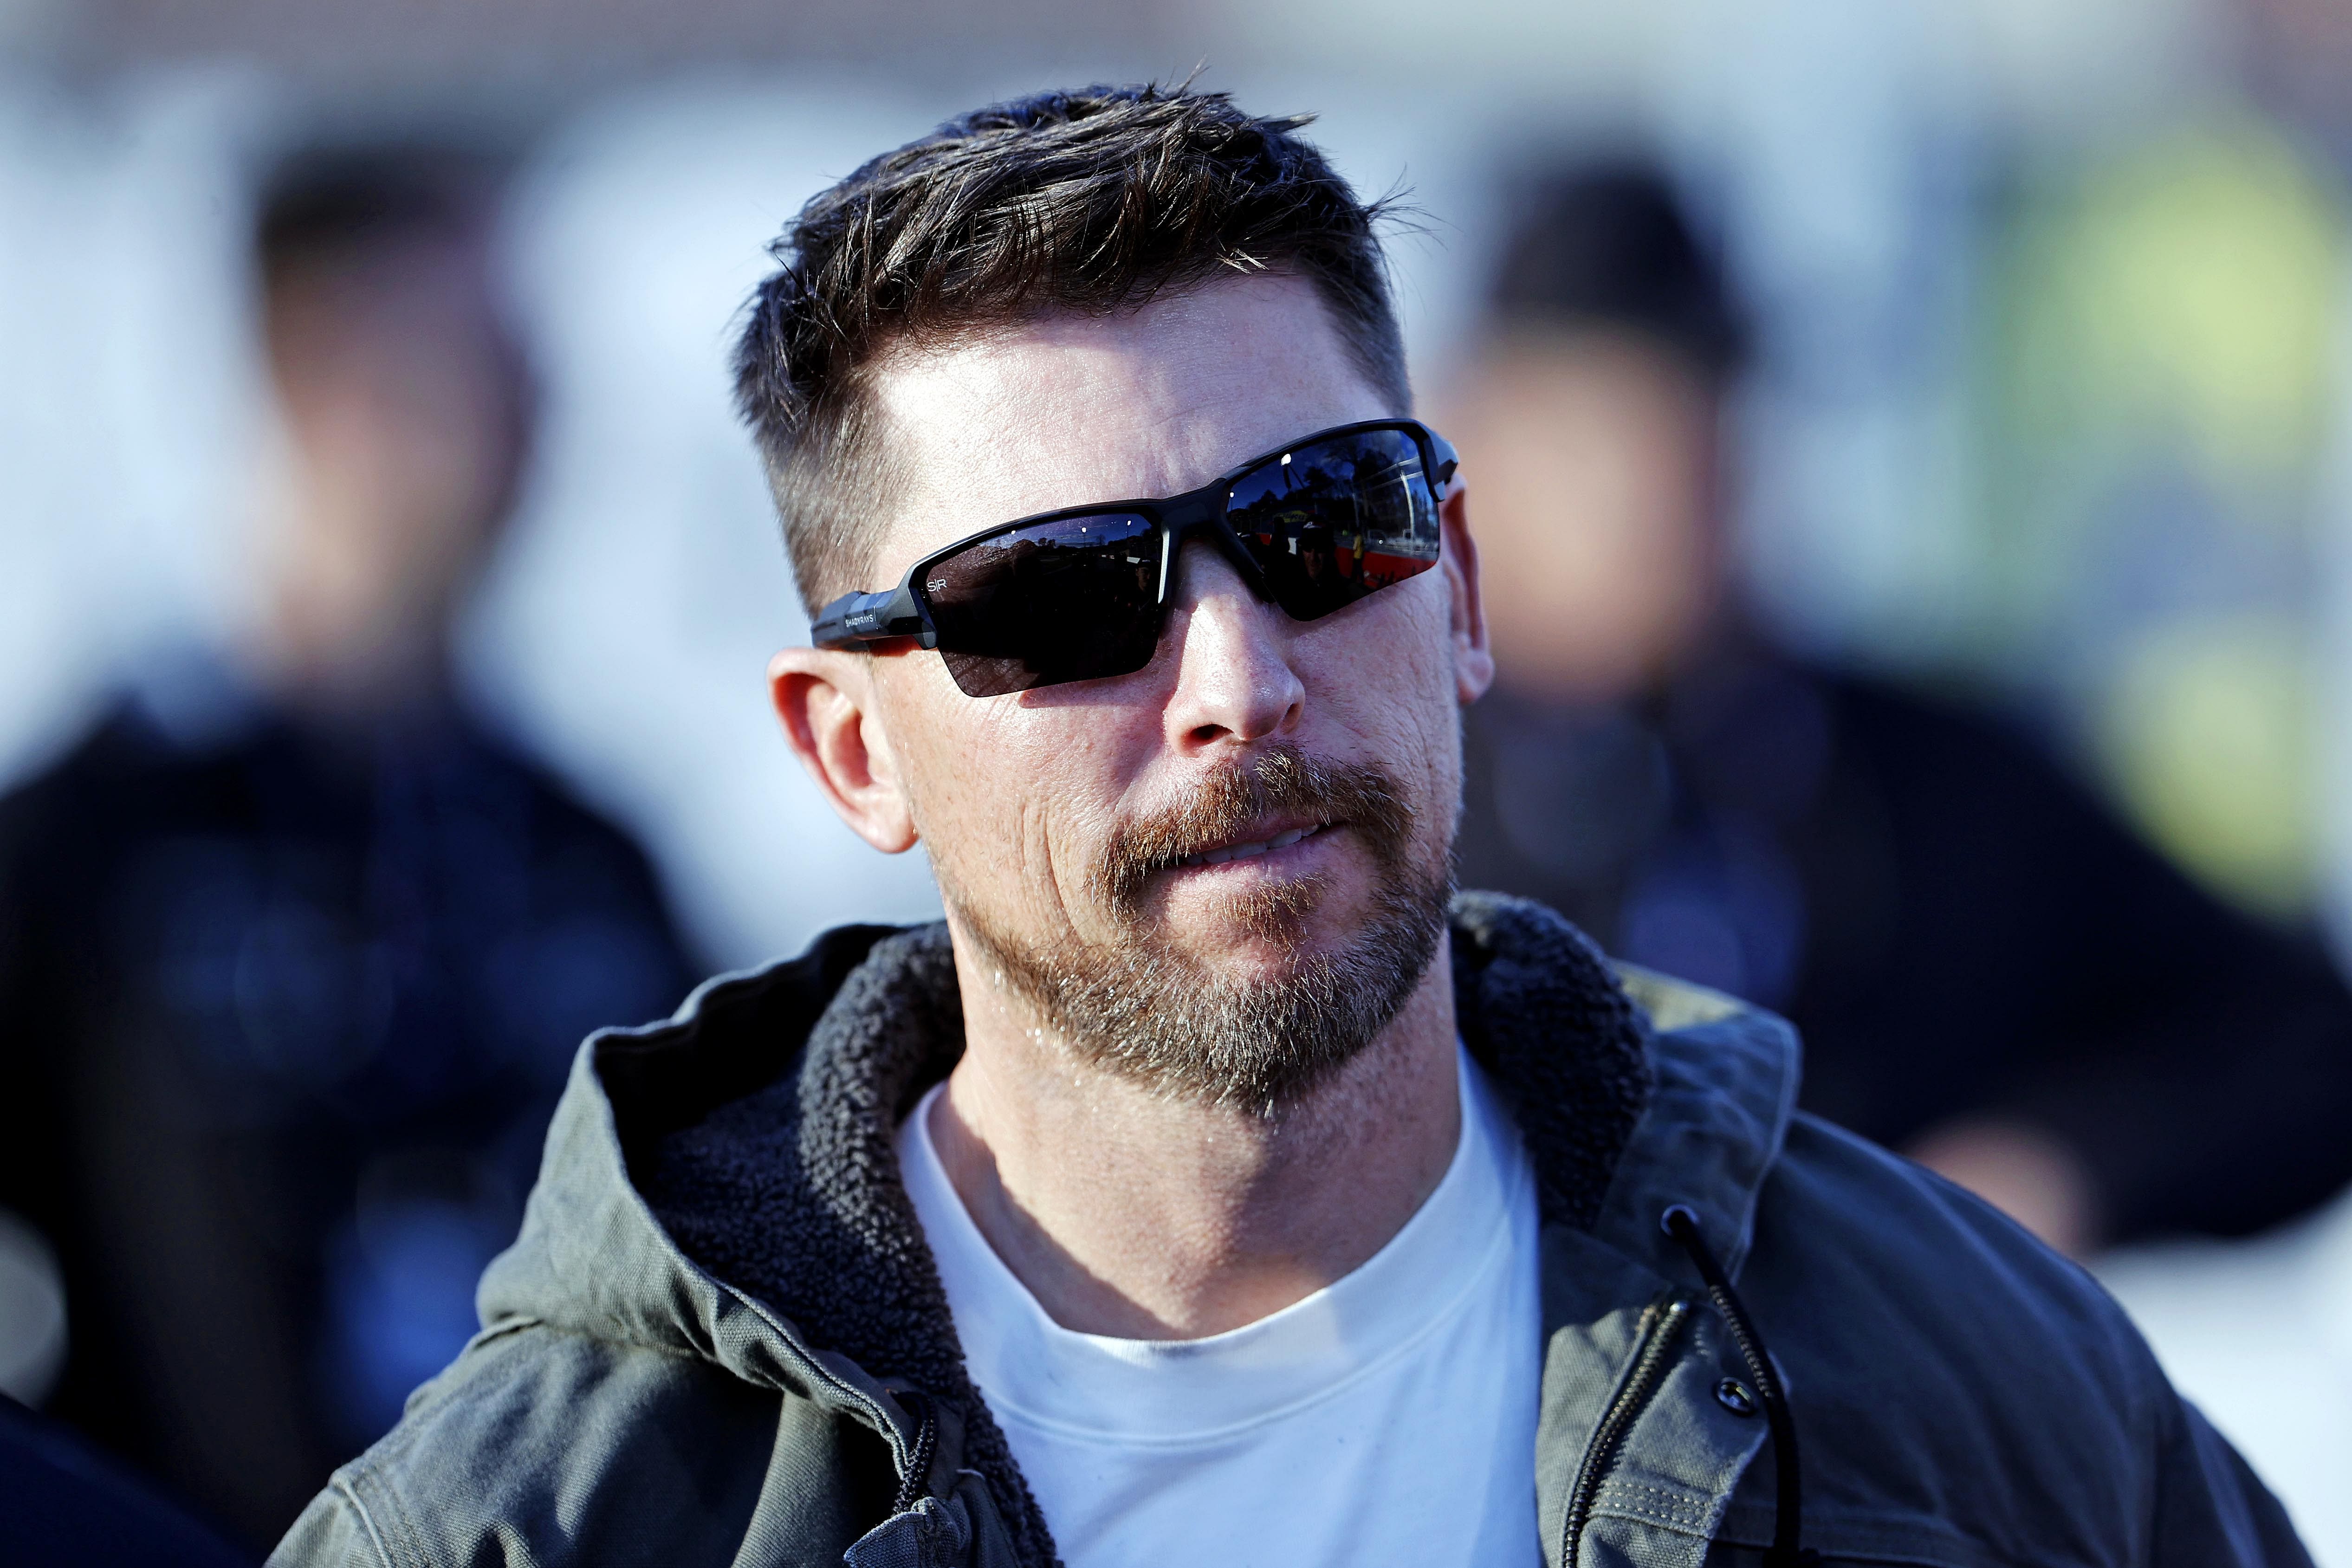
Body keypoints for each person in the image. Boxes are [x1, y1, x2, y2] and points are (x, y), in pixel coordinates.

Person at [270, 86, 2308, 1568]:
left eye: (1324, 523)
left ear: (1462, 588)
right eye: (1061, 597)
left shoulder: (1974, 1386)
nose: (1238, 674)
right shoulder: (534, 1525)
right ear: (848, 751)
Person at [1447, 166, 2352, 1257]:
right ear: (1471, 440)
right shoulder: (1400, 807)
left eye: (1704, 412)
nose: (1665, 485)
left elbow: (2303, 1042)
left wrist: (2063, 1165)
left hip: (1867, 1417)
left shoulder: (1938, 784)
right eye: (1600, 431)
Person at [0, 144, 695, 1546]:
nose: (528, 417)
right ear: (306, 368)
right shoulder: (96, 843)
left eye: (529, 367)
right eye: (465, 360)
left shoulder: (585, 857)